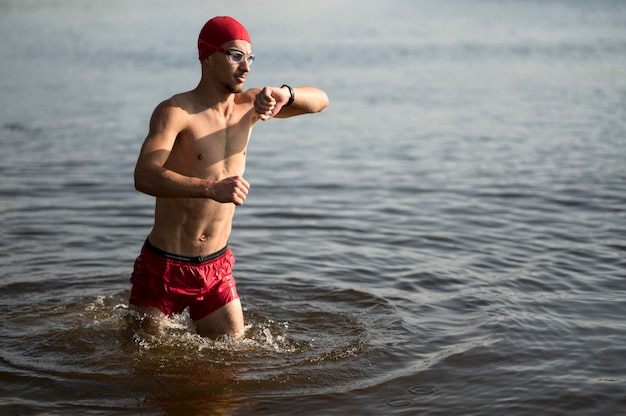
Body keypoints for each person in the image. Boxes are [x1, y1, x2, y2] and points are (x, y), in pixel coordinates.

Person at [128, 16, 329, 339]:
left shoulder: (250, 106)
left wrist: (283, 94)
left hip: (216, 267)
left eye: (250, 58)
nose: (245, 67)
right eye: (236, 55)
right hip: (164, 267)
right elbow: (144, 176)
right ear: (207, 56)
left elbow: (321, 101)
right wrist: (211, 188)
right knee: (140, 367)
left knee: (233, 364)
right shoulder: (176, 111)